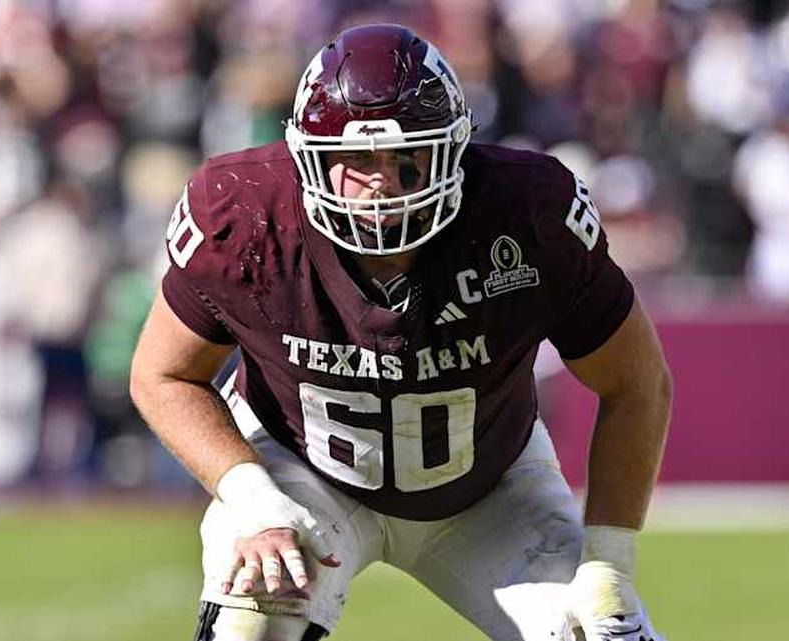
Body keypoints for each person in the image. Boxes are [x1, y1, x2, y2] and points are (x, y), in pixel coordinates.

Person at [130, 24, 672, 641]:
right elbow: (163, 373)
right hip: (302, 476)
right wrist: (256, 502)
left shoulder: (528, 214)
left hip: (489, 490)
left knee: (600, 633)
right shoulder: (245, 213)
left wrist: (609, 561)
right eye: (356, 159)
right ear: (311, 156)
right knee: (254, 615)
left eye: (406, 155)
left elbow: (637, 384)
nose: (380, 181)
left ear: (453, 150)